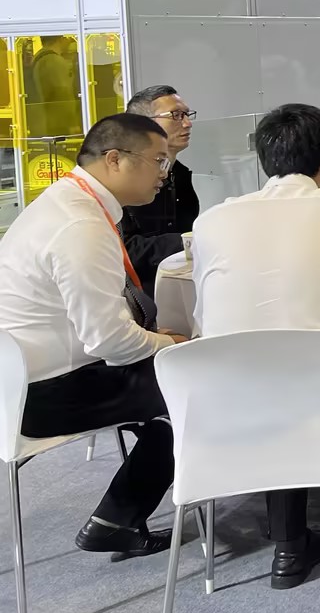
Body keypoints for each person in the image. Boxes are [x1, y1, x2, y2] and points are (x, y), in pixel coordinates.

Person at [191, 103, 320, 589]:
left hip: (218, 414)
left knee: (268, 367)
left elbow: (202, 319)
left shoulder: (212, 220)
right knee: (316, 368)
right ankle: (292, 546)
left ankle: (288, 541)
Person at [0, 113, 183, 558]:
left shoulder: (64, 203)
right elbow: (111, 343)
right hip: (45, 395)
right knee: (194, 387)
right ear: (115, 159)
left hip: (19, 382)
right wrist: (172, 344)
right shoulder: (80, 224)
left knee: (172, 378)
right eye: (158, 160)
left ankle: (116, 518)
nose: (164, 173)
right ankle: (117, 522)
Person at [120, 85, 199, 292]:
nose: (187, 123)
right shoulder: (124, 179)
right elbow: (126, 249)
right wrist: (188, 241)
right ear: (144, 124)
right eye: (176, 115)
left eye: (187, 115)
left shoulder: (179, 174)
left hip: (177, 287)